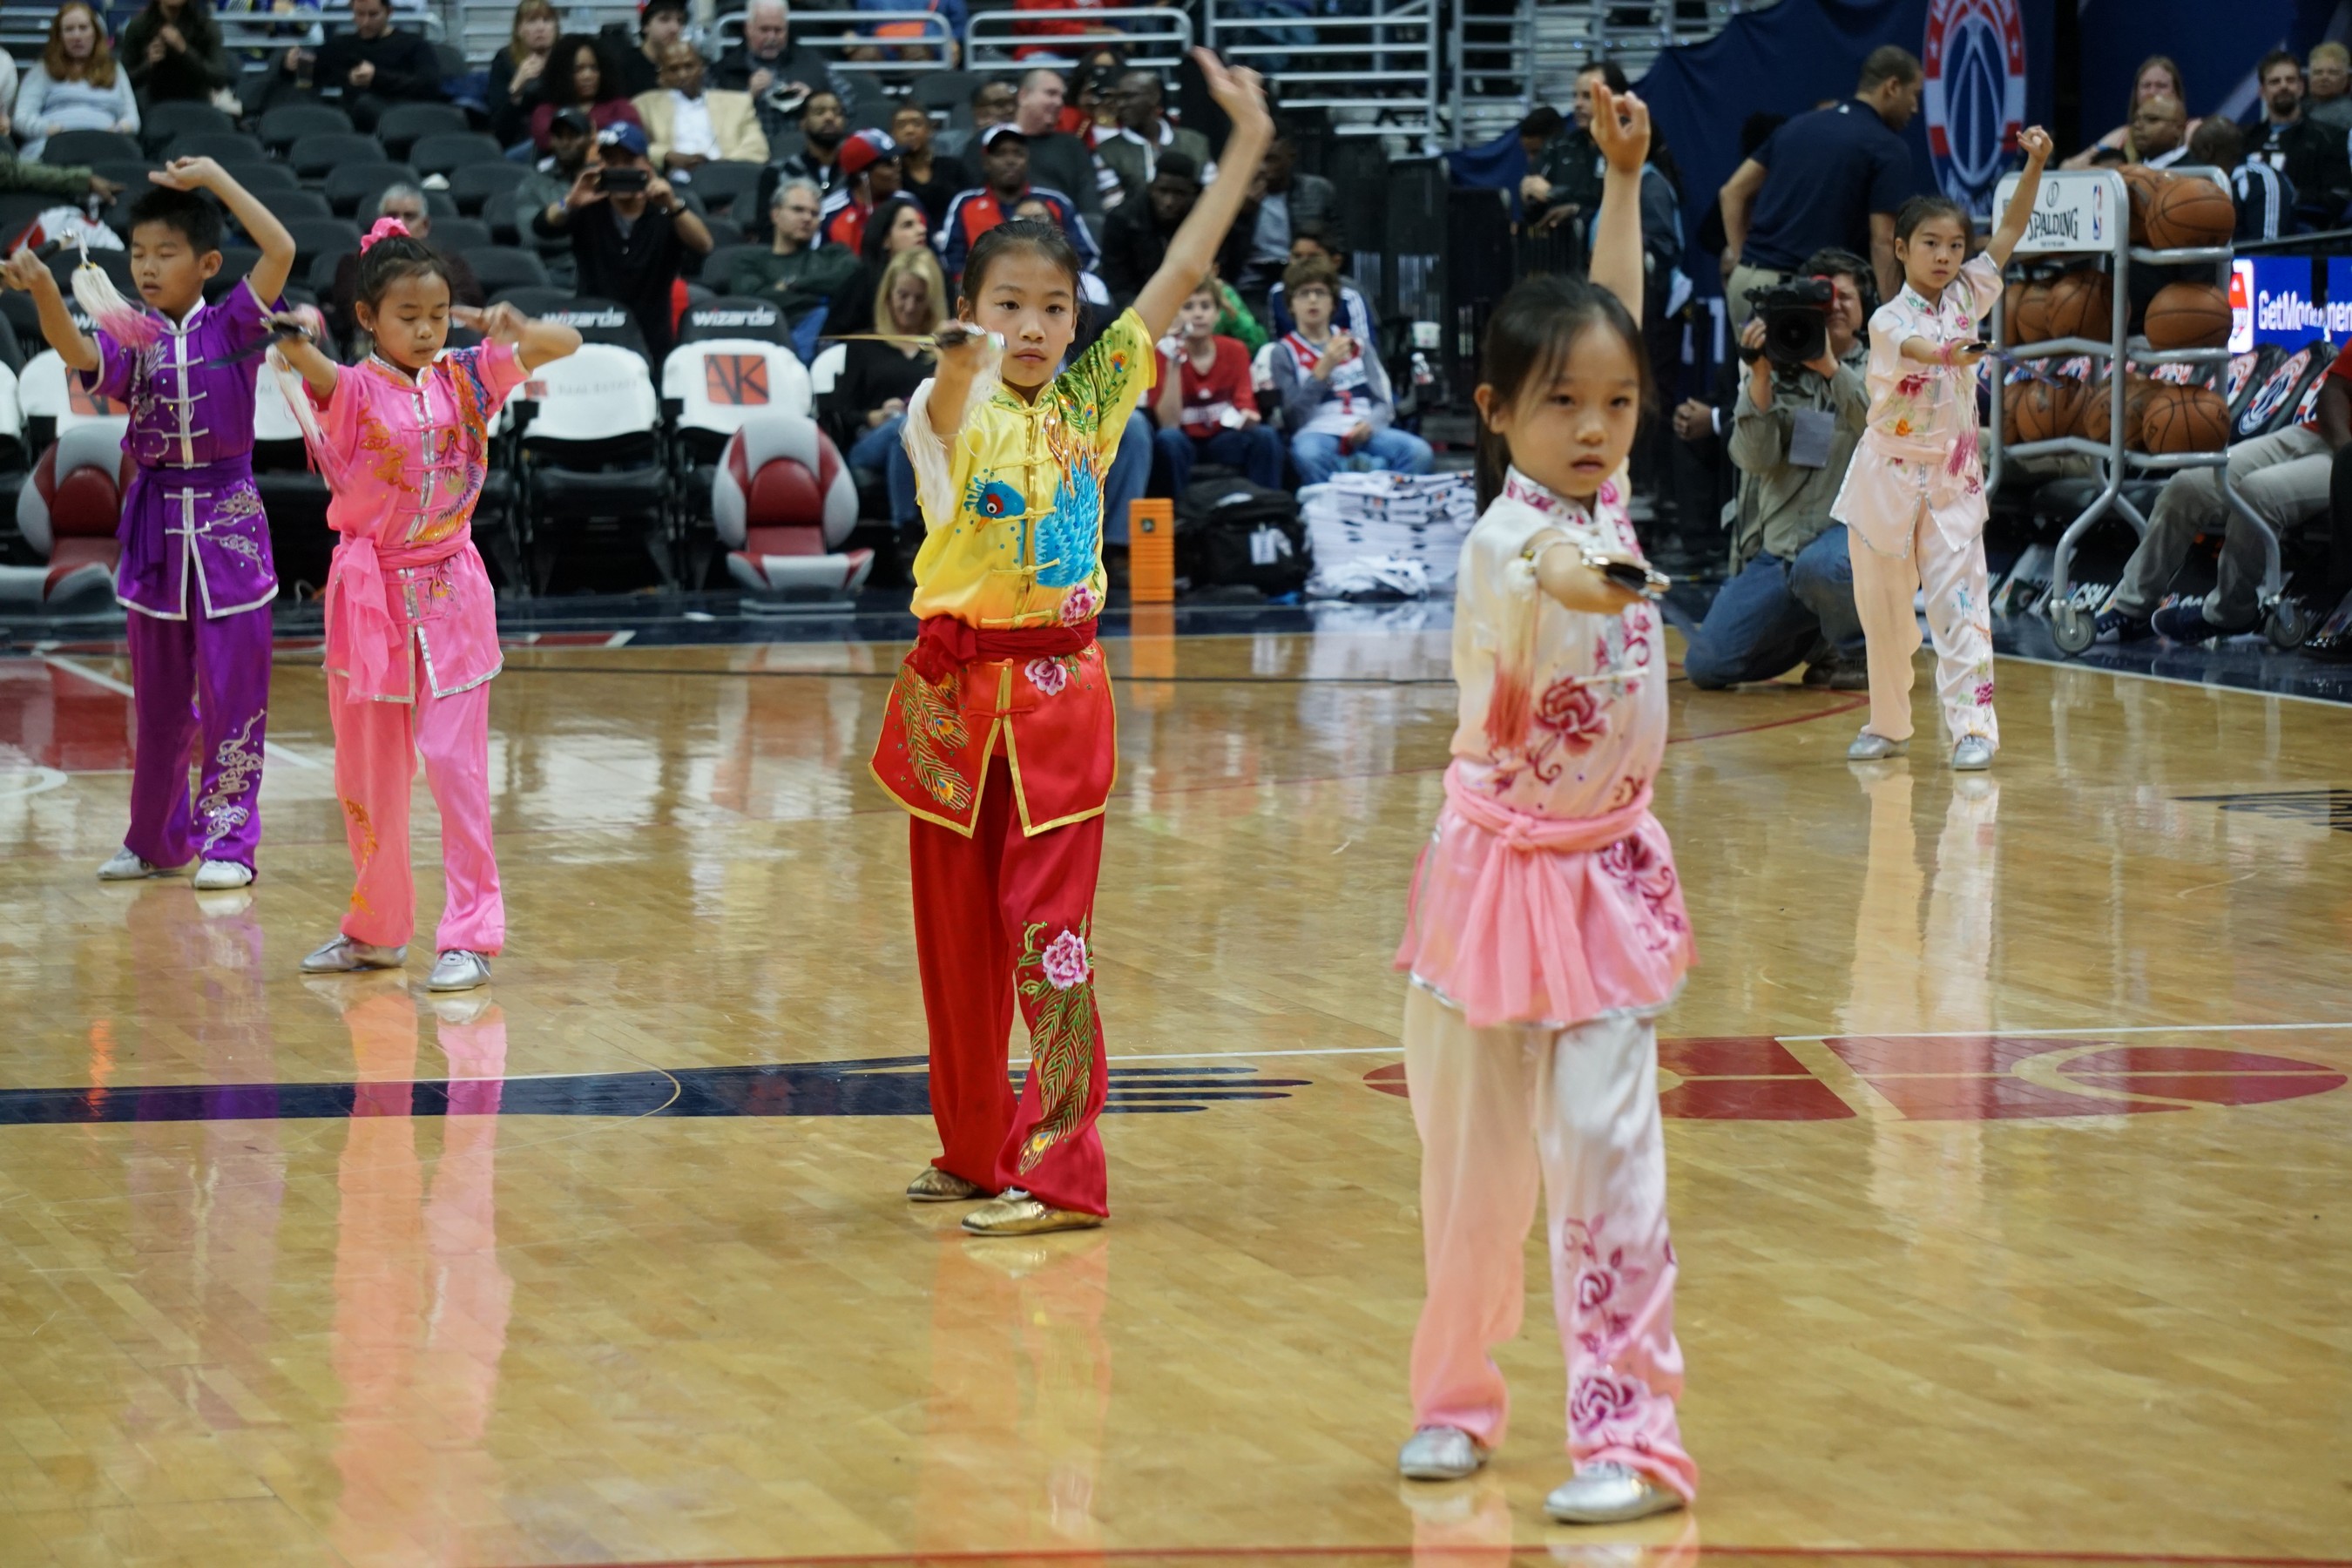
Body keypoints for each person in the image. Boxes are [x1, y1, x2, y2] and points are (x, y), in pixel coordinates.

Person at [872, 48, 1272, 1238]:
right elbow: (947, 405)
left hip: (1057, 700)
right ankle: (972, 1148)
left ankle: (1060, 1173)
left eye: (1054, 307)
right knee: (954, 948)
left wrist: (1247, 142)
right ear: (971, 307)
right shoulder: (943, 407)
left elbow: (1184, 265)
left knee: (1049, 942)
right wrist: (957, 358)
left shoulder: (1094, 398)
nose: (1034, 325)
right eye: (1009, 305)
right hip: (951, 701)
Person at [1389, 81, 1699, 1530]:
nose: (1596, 426)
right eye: (1563, 404)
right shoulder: (1513, 542)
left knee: (1610, 1156)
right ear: (1496, 411)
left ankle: (1631, 1437)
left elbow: (1607, 317)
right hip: (1491, 878)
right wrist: (1611, 576)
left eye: (1617, 404)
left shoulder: (1602, 488)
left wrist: (1621, 182)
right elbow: (1565, 580)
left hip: (1605, 878)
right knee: (1472, 1171)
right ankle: (1454, 1397)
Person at [269, 226, 582, 992]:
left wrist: (513, 326)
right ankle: (375, 932)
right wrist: (294, 335)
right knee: (370, 775)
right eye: (408, 315)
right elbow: (306, 360)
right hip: (369, 599)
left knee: (454, 766)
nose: (425, 329)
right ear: (367, 316)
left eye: (438, 314)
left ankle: (471, 935)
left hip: (451, 592)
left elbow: (567, 343)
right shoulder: (351, 389)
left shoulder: (470, 376)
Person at [0, 159, 294, 892]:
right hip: (156, 530)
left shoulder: (237, 320)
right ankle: (157, 842)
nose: (148, 267)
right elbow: (76, 353)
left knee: (234, 698)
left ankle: (228, 843)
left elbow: (282, 248)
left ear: (208, 264)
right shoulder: (132, 336)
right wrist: (46, 292)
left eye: (166, 253)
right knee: (159, 703)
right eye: (138, 254)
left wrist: (217, 179)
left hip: (230, 533)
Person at [1831, 128, 2051, 771]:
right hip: (1885, 481)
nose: (1946, 256)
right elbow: (1923, 351)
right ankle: (1887, 725)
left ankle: (1974, 730)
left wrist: (2035, 164)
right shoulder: (1887, 319)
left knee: (1962, 607)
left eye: (1955, 245)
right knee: (1883, 616)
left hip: (1953, 480)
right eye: (1930, 243)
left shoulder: (1968, 294)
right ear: (1901, 249)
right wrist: (1954, 352)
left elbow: (2010, 230)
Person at [1680, 247, 1870, 691]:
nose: (1835, 306)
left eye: (1845, 297)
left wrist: (1830, 368)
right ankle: (1818, 635)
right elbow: (1754, 459)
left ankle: (1863, 651)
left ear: (1866, 308)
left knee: (1821, 566)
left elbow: (1880, 428)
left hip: (1851, 544)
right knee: (1706, 666)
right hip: (1782, 551)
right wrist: (1760, 378)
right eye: (1824, 299)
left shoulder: (1884, 365)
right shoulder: (1776, 367)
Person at [2097, 348, 2352, 645]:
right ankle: (2132, 608)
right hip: (2321, 437)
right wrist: (2345, 451)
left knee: (2258, 493)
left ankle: (2231, 612)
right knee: (2188, 485)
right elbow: (2335, 390)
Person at [1718, 46, 1921, 321]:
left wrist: (1747, 261)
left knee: (1754, 354)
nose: (1915, 108)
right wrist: (1893, 315)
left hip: (1750, 284)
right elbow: (1883, 241)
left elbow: (1731, 192)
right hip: (1809, 294)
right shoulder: (1886, 147)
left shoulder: (1795, 126)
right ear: (1893, 86)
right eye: (1914, 94)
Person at [534, 123, 713, 359]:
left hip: (652, 338)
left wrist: (672, 205)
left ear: (647, 164)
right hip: (594, 333)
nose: (619, 169)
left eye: (628, 161)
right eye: (611, 161)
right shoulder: (588, 207)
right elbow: (542, 227)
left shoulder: (666, 209)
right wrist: (570, 201)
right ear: (600, 166)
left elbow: (704, 245)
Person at [1268, 255, 1430, 485]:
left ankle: (1388, 500)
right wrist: (1321, 372)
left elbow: (1384, 401)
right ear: (1290, 305)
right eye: (1304, 294)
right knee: (1308, 454)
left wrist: (1370, 424)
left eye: (1320, 292)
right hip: (1317, 431)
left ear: (1333, 303)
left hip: (1365, 428)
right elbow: (1292, 418)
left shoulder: (1358, 344)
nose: (1313, 300)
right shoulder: (1282, 352)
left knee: (1418, 452)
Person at [834, 245, 947, 531]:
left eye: (919, 298)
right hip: (870, 441)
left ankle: (908, 536)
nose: (909, 307)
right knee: (904, 427)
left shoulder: (944, 348)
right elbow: (841, 413)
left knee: (909, 428)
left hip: (934, 442)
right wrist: (873, 416)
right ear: (888, 295)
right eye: (902, 296)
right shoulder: (863, 344)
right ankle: (908, 529)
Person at [1152, 275, 1282, 493]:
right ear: (1176, 314)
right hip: (1185, 440)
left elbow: (1245, 403)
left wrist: (1248, 417)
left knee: (1265, 436)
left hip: (1223, 438)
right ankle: (1179, 512)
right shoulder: (1164, 353)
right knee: (1168, 440)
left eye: (1206, 306)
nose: (1198, 314)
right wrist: (1174, 360)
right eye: (1188, 307)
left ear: (1217, 314)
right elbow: (1169, 423)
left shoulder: (1236, 350)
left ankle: (1266, 507)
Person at [329, 185, 483, 350]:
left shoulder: (449, 262)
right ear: (379, 222)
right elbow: (349, 313)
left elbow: (471, 305)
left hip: (443, 346)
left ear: (425, 225)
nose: (400, 222)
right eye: (392, 215)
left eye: (409, 216)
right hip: (372, 346)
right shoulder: (354, 262)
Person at [939, 124, 1097, 280]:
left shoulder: (1055, 202)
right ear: (986, 162)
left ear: (1027, 160)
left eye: (1018, 153)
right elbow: (952, 261)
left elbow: (1085, 256)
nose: (1010, 161)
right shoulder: (965, 203)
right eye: (1000, 154)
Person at [1100, 152, 1249, 306]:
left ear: (1193, 193)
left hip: (1198, 304)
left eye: (1179, 194)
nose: (1169, 202)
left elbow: (1226, 275)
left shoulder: (1212, 220)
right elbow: (1117, 284)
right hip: (1139, 305)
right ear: (1151, 189)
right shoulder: (1123, 220)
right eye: (1163, 191)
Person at [728, 175, 854, 358]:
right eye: (798, 210)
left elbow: (852, 280)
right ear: (775, 214)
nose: (807, 218)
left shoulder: (833, 255)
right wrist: (822, 296)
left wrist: (792, 284)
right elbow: (754, 303)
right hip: (764, 342)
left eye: (814, 213)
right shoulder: (748, 260)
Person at [15, 3, 139, 161]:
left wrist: (116, 131)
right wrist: (51, 129)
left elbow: (132, 119)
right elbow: (21, 117)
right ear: (59, 37)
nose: (77, 36)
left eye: (83, 28)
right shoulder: (42, 69)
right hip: (53, 146)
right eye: (69, 29)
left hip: (105, 145)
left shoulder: (115, 69)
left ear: (96, 33)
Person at [2243, 49, 2350, 226]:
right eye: (2275, 82)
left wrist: (2288, 196)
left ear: (2301, 87)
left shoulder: (2331, 138)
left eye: (2290, 80)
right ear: (2262, 91)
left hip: (2303, 234)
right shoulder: (2246, 139)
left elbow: (2338, 197)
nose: (2283, 86)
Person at [713, 0, 845, 145]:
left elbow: (848, 103)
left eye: (778, 30)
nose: (771, 38)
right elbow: (710, 120)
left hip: (802, 149)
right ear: (748, 29)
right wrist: (748, 95)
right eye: (764, 30)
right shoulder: (724, 70)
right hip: (746, 149)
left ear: (787, 29)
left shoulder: (812, 61)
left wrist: (813, 99)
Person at [1521, 61, 1622, 237]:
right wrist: (1531, 191)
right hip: (1562, 250)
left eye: (1587, 96)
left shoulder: (1628, 150)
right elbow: (1533, 208)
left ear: (1616, 100)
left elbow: (1615, 206)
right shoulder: (1559, 147)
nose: (1577, 104)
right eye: (1575, 96)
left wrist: (1555, 195)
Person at [635, 38, 767, 173]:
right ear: (662, 74)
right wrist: (667, 156)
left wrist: (720, 166)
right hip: (673, 177)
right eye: (673, 69)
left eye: (689, 66)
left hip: (729, 174)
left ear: (702, 68)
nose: (683, 74)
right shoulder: (644, 105)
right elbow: (634, 146)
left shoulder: (737, 103)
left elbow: (757, 147)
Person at [313, 0, 446, 132]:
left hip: (404, 116)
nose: (365, 22)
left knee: (366, 104)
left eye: (373, 15)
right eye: (360, 14)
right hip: (356, 122)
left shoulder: (414, 44)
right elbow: (316, 74)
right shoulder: (341, 46)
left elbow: (429, 85)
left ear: (389, 12)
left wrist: (376, 77)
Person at [1238, 128, 1339, 294]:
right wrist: (1242, 215)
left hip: (1302, 269)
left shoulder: (1317, 191)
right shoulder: (1234, 194)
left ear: (1291, 156)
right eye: (1256, 158)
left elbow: (1338, 245)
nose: (1261, 167)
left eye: (1271, 159)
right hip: (1251, 274)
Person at [1093, 67, 1213, 206]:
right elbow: (1113, 205)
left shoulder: (1195, 142)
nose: (1120, 104)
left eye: (1128, 96)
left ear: (1154, 97)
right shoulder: (1107, 151)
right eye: (1117, 98)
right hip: (1133, 220)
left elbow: (1213, 193)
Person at [823, 191, 930, 337]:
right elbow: (831, 337)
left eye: (920, 223)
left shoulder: (938, 275)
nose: (922, 230)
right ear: (886, 240)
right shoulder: (862, 282)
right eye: (908, 225)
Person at [2062, 56, 2198, 169]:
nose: (2152, 92)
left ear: (2176, 93)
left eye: (2161, 86)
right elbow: (2067, 167)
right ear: (2136, 93)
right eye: (2146, 86)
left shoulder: (2192, 130)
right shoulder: (2123, 136)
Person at [515, 105, 594, 286]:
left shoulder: (600, 179)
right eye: (559, 136)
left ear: (590, 139)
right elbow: (533, 237)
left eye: (573, 136)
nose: (566, 142)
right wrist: (567, 204)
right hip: (552, 272)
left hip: (598, 269)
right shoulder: (533, 184)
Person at [1009, 67, 1104, 216]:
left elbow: (1090, 207)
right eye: (1051, 93)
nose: (1059, 102)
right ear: (1023, 96)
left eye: (1061, 96)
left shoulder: (1073, 147)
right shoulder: (991, 140)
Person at [529, 34, 642, 153]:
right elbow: (546, 138)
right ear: (562, 74)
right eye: (578, 69)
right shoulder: (546, 111)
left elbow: (632, 137)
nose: (588, 76)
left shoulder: (619, 106)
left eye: (594, 68)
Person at [121, 0, 233, 107]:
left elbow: (219, 80)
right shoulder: (139, 27)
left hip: (197, 105)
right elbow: (123, 83)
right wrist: (148, 64)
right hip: (153, 105)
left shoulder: (205, 27)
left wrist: (184, 50)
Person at [1267, 226, 1372, 341]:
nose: (1304, 263)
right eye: (1297, 256)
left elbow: (1366, 345)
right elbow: (1273, 341)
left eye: (1313, 257)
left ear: (1336, 262)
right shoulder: (1278, 293)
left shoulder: (1350, 296)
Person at [2196, 119, 2295, 242]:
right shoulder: (2204, 181)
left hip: (2251, 253)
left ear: (2208, 151)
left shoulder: (2262, 180)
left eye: (2194, 152)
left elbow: (2267, 245)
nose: (2192, 160)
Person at [486, 0, 559, 150]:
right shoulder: (505, 61)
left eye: (547, 20)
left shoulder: (567, 57)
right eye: (532, 21)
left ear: (555, 27)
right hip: (522, 142)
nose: (540, 28)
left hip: (563, 137)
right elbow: (499, 130)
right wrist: (516, 87)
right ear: (519, 30)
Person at [818, 129, 902, 252]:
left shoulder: (908, 203)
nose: (898, 169)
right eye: (888, 165)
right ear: (861, 173)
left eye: (897, 161)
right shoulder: (828, 214)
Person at [892, 101, 967, 226]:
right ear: (893, 134)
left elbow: (971, 205)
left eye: (917, 124)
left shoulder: (953, 167)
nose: (910, 130)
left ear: (930, 130)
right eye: (901, 125)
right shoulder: (890, 174)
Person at [617, 0, 686, 98]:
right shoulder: (623, 67)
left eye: (680, 21)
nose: (675, 28)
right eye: (664, 19)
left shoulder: (686, 66)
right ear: (645, 26)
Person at [936, 76, 1015, 159]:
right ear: (979, 113)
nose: (1011, 109)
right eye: (1000, 104)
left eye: (1015, 103)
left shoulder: (1023, 142)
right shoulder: (947, 144)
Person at [2308, 42, 2352, 134]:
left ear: (2345, 79)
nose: (2324, 78)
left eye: (2333, 72)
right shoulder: (2298, 108)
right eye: (2318, 72)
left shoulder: (2348, 115)